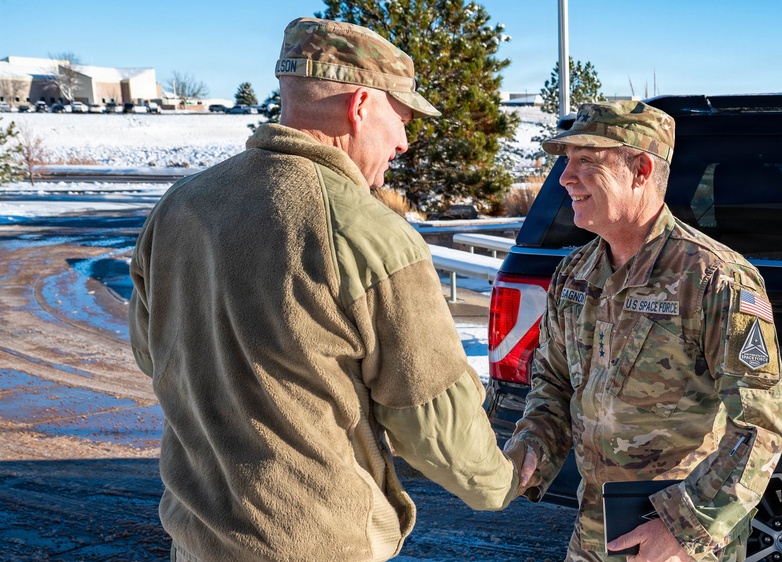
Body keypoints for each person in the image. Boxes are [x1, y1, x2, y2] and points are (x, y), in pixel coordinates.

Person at [128, 17, 517, 562]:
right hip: (315, 542)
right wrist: (503, 482)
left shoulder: (181, 205)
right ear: (361, 106)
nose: (404, 142)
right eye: (402, 117)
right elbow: (429, 419)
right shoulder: (366, 232)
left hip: (198, 539)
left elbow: (153, 355)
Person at [503, 100, 782, 562]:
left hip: (678, 543)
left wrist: (686, 528)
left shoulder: (715, 278)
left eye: (586, 161)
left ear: (641, 169)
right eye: (566, 160)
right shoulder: (574, 274)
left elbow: (761, 426)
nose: (564, 178)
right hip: (594, 531)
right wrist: (530, 449)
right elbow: (553, 385)